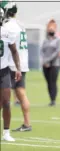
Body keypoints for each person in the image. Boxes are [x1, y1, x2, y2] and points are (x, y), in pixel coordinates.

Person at [1, 1, 31, 132]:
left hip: (12, 63)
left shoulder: (8, 26)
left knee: (12, 95)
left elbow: (11, 47)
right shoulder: (20, 24)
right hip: (22, 61)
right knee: (19, 93)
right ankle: (26, 123)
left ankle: (26, 123)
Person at [0, 7, 22, 141]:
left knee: (6, 102)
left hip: (3, 70)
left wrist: (18, 68)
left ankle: (6, 132)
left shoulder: (6, 32)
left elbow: (14, 51)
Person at [41, 19, 60, 106]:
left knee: (53, 82)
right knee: (48, 82)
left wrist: (48, 60)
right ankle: (50, 99)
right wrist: (44, 61)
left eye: (52, 29)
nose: (51, 30)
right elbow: (42, 50)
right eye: (50, 29)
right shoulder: (45, 40)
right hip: (45, 64)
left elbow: (57, 52)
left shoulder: (58, 40)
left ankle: (53, 100)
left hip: (54, 64)